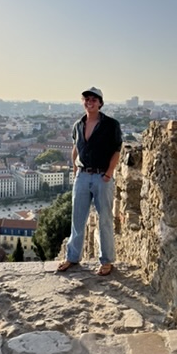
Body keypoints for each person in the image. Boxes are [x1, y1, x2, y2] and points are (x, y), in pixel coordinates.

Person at [58, 87, 122, 275]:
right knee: (77, 218)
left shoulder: (111, 125)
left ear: (100, 103)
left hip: (102, 176)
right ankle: (72, 257)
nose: (90, 102)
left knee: (105, 219)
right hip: (83, 175)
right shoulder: (78, 125)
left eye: (94, 99)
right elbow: (76, 148)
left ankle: (106, 260)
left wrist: (109, 173)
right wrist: (75, 170)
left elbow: (117, 150)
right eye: (86, 99)